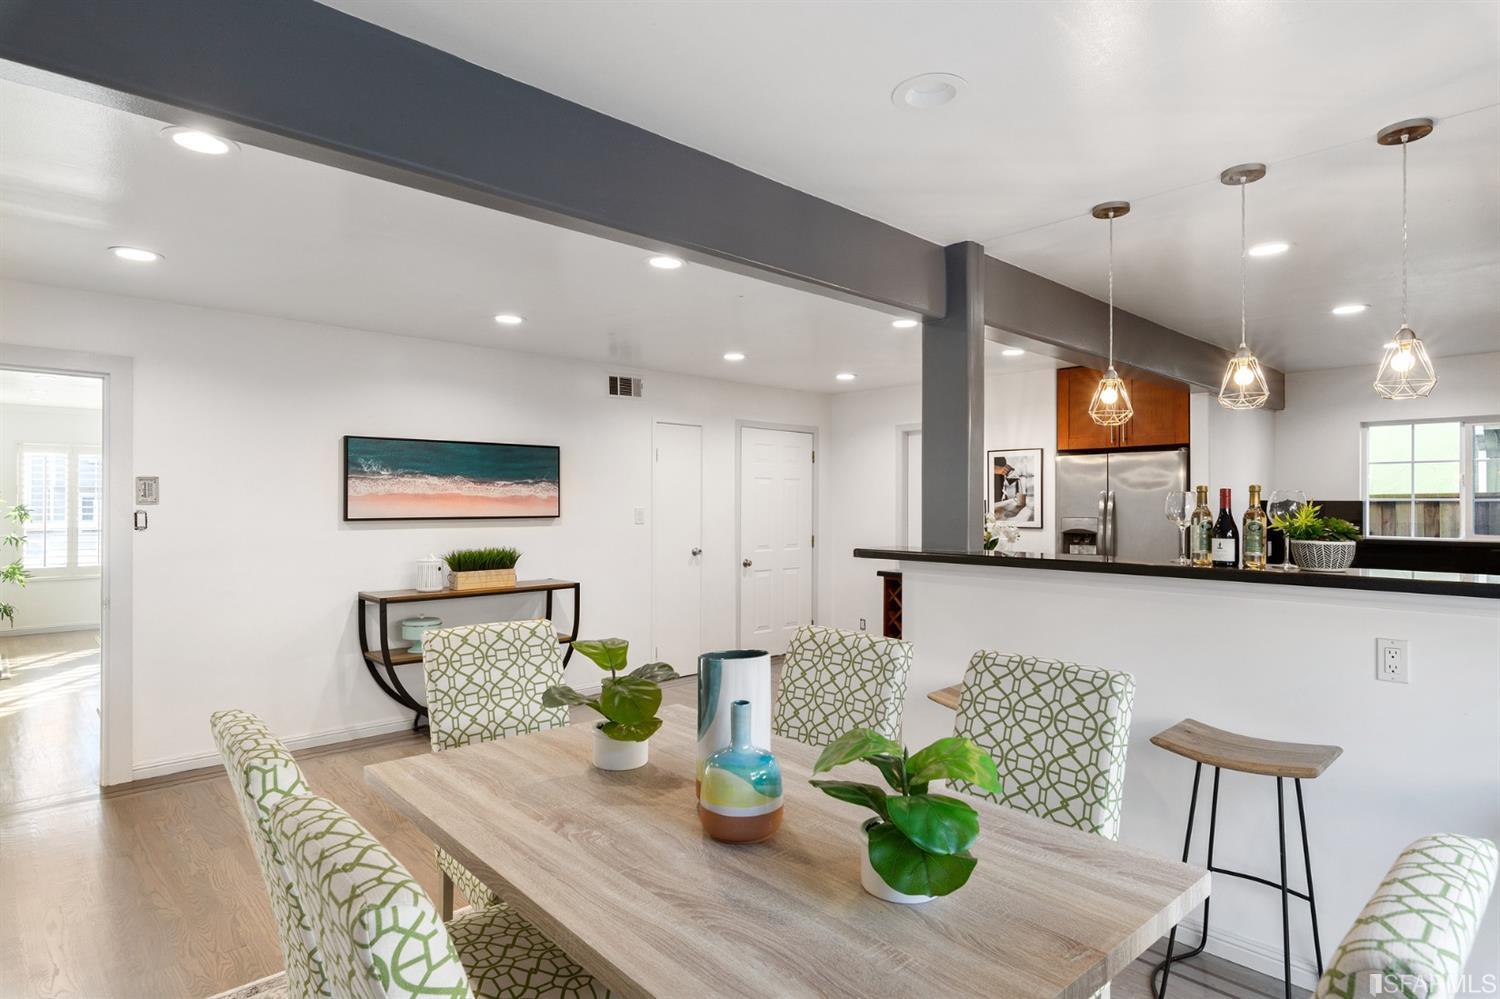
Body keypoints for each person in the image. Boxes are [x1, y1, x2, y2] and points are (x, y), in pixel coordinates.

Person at [991, 456, 1031, 522]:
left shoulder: (1001, 458)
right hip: (989, 500)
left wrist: (1010, 473)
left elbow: (1007, 479)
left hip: (999, 499)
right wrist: (995, 469)